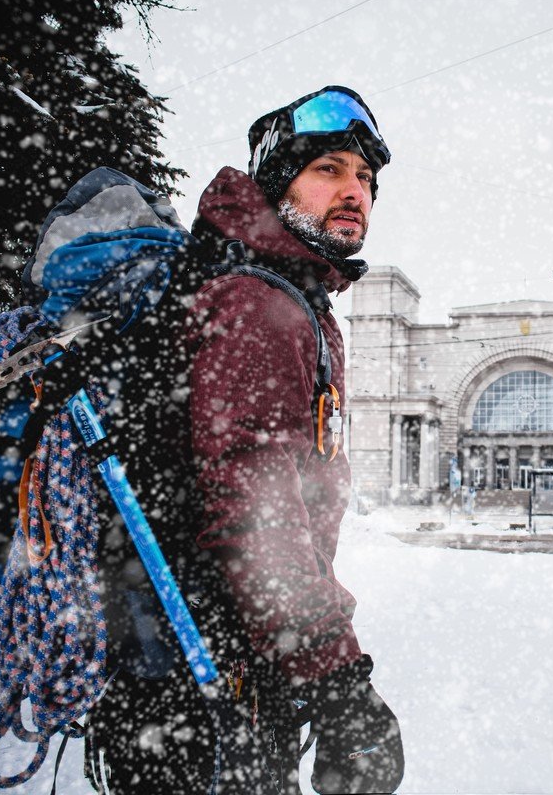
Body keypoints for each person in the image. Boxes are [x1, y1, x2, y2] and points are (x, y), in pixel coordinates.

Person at [84, 85, 404, 795]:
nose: (355, 191)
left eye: (366, 179)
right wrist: (340, 682)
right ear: (276, 183)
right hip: (205, 669)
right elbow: (255, 510)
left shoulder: (287, 296)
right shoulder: (259, 303)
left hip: (209, 661)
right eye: (328, 169)